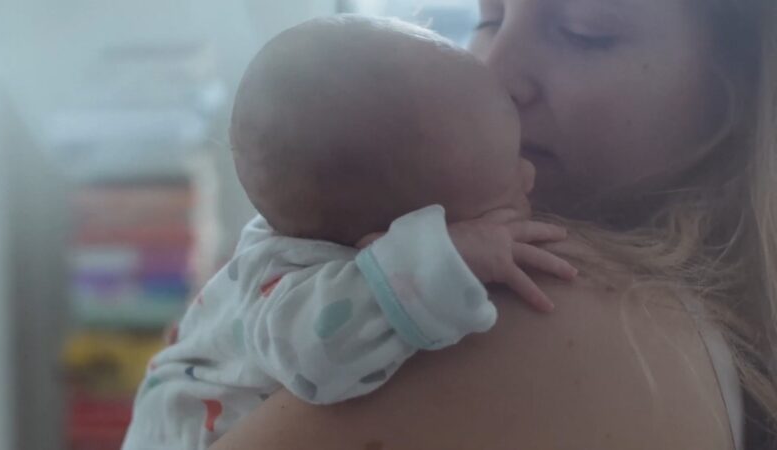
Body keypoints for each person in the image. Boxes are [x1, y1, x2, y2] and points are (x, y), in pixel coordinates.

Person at [210, 0, 777, 449]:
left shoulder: (561, 313)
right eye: (490, 16)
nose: (494, 70)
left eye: (586, 32)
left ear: (742, 81)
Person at [121, 16, 578, 450]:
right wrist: (446, 259)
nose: (529, 175)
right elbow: (318, 362)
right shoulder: (293, 287)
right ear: (386, 245)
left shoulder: (331, 225)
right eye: (504, 175)